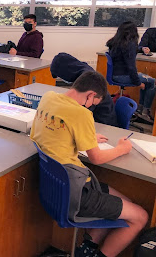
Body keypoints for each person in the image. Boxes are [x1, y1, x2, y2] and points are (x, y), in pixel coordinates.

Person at [30, 71, 148, 257]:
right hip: (76, 193)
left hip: (57, 189)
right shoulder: (81, 113)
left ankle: (87, 249)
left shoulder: (49, 98)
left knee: (126, 204)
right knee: (140, 217)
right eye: (93, 104)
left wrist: (87, 137)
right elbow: (97, 158)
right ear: (91, 95)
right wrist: (122, 149)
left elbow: (56, 131)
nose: (91, 108)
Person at [50, 52, 118, 127]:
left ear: (66, 73)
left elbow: (81, 113)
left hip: (103, 123)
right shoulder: (83, 70)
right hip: (96, 118)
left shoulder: (88, 81)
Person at [107, 21, 156, 123]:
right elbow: (131, 67)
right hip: (123, 76)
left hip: (115, 75)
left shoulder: (115, 42)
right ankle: (144, 111)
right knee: (152, 82)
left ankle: (140, 109)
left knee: (147, 81)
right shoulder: (130, 45)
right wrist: (138, 83)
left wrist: (141, 49)